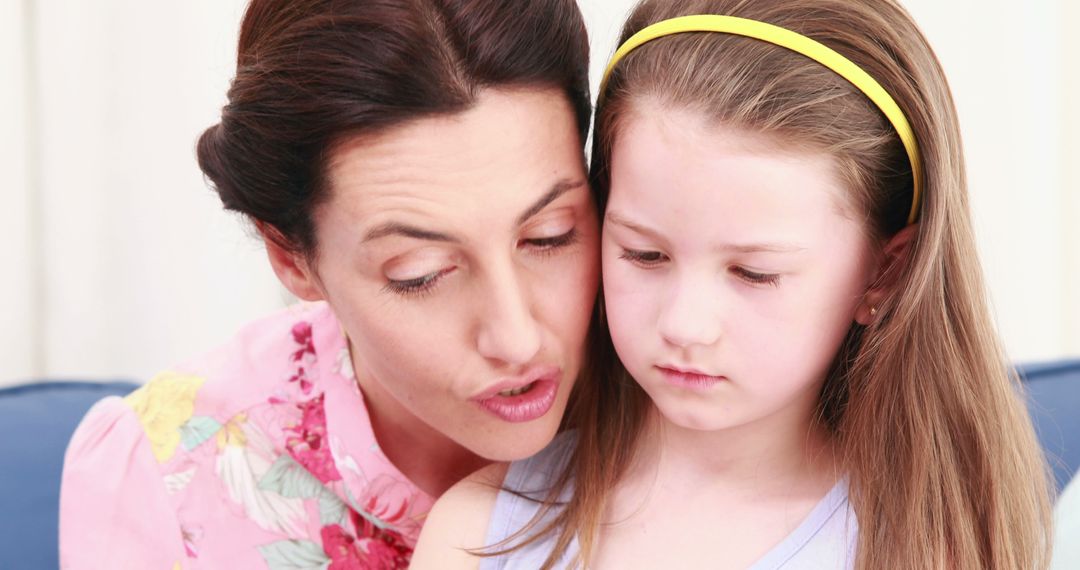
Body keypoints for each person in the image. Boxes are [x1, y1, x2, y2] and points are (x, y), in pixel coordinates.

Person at [412, 0, 1054, 568]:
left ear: (885, 271)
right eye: (644, 254)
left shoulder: (924, 549)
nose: (685, 324)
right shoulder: (481, 532)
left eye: (754, 272)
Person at [58, 0, 602, 567]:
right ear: (292, 258)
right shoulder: (164, 472)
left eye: (550, 236)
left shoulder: (686, 394)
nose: (516, 338)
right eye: (420, 274)